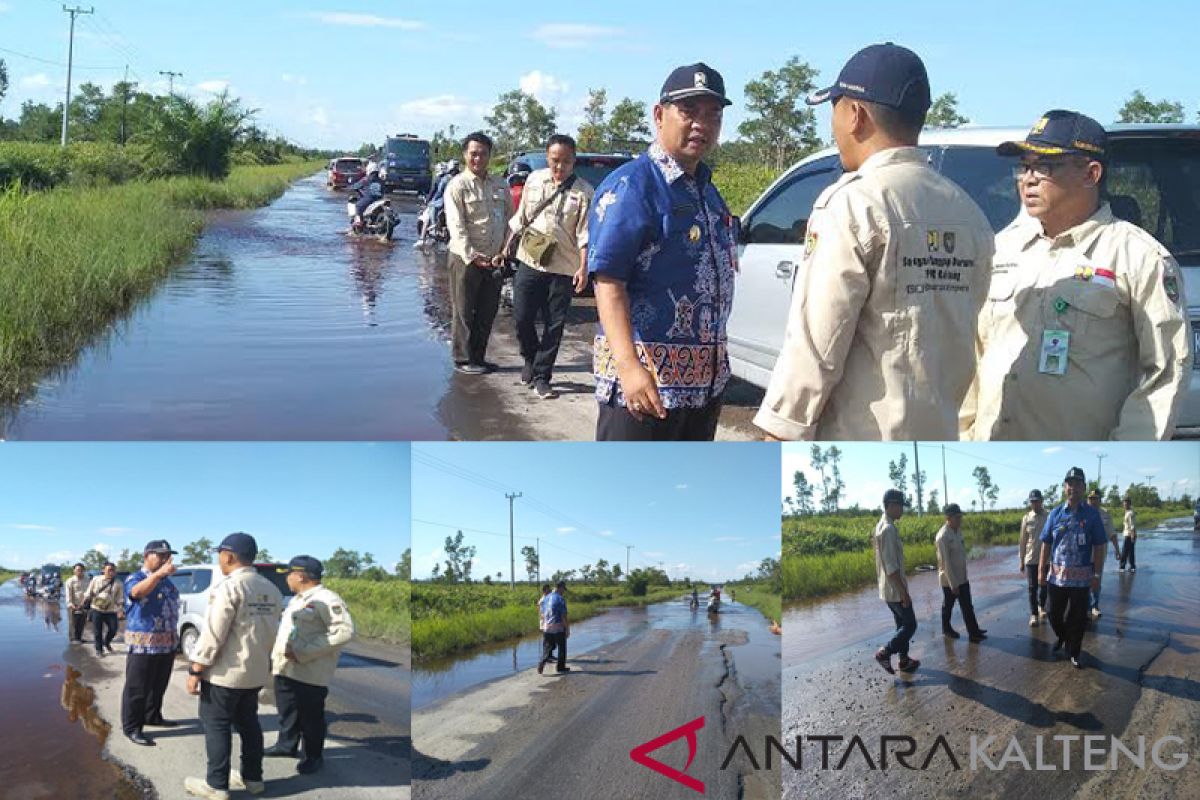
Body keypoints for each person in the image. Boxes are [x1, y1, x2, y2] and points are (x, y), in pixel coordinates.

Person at [754, 42, 993, 441]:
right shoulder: (969, 213)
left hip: (861, 434)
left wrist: (781, 429)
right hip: (939, 432)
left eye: (834, 108)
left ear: (855, 114)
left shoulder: (855, 203)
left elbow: (817, 344)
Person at [965, 109, 1192, 440]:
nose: (1028, 179)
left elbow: (1166, 371)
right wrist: (964, 432)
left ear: (1091, 174)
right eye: (1024, 166)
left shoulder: (1139, 257)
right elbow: (973, 353)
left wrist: (1126, 449)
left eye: (1045, 167)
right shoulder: (1000, 250)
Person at [587, 62, 738, 441]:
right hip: (645, 388)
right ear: (660, 114)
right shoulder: (633, 186)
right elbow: (608, 281)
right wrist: (628, 367)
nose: (701, 124)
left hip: (703, 389)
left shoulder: (706, 191)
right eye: (689, 111)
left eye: (713, 115)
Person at [184, 533, 283, 800]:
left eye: (220, 554)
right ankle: (253, 778)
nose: (219, 559)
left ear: (228, 556)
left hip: (225, 675)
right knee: (249, 724)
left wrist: (195, 669)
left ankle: (216, 785)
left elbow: (213, 634)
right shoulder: (270, 589)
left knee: (216, 725)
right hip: (254, 673)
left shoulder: (229, 587)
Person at [503, 134, 595, 399]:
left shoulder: (584, 192)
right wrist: (507, 245)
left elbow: (585, 233)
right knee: (522, 317)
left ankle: (543, 376)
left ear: (573, 161)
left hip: (563, 267)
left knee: (554, 325)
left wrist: (583, 267)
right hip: (530, 260)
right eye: (555, 161)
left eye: (566, 162)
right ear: (547, 157)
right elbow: (521, 218)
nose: (560, 167)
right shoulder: (534, 180)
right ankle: (530, 359)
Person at [267, 556, 355, 776]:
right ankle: (286, 746)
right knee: (287, 711)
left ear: (300, 575)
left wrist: (302, 652)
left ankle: (313, 756)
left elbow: (344, 632)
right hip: (287, 668)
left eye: (288, 574)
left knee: (311, 718)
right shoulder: (299, 599)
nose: (286, 578)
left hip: (309, 671)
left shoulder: (326, 599)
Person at [444, 132, 514, 374]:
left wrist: (504, 252)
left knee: (487, 311)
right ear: (465, 155)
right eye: (473, 153)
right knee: (464, 310)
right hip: (465, 259)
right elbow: (456, 226)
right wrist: (473, 256)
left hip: (494, 260)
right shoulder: (457, 186)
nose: (478, 158)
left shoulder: (500, 185)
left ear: (489, 156)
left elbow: (509, 221)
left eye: (483, 153)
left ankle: (479, 357)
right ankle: (463, 359)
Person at [1039, 467, 1108, 668]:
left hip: (1081, 578)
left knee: (1077, 618)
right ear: (1064, 487)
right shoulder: (1055, 514)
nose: (1074, 488)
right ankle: (1063, 637)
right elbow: (1046, 543)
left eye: (1078, 484)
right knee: (1052, 612)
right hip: (1057, 577)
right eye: (1070, 483)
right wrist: (1042, 571)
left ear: (1084, 488)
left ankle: (1074, 651)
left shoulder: (1092, 515)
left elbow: (1099, 545)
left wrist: (1096, 574)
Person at [121, 540, 180, 747]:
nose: (164, 559)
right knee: (137, 687)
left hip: (166, 642)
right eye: (160, 555)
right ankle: (132, 727)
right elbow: (136, 593)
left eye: (167, 556)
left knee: (158, 684)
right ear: (147, 555)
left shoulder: (167, 582)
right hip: (143, 644)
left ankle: (152, 715)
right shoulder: (136, 578)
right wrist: (157, 575)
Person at [873, 489, 919, 674]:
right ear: (891, 505)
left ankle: (904, 660)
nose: (903, 510)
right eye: (901, 506)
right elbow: (892, 566)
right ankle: (886, 652)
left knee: (901, 625)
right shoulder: (889, 529)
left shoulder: (881, 525)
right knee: (910, 625)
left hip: (887, 588)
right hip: (894, 589)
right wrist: (903, 592)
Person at [935, 504, 987, 642]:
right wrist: (953, 584)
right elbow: (945, 563)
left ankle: (974, 631)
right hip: (950, 580)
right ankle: (946, 629)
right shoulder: (943, 536)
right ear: (948, 518)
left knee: (967, 606)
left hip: (962, 577)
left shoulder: (957, 531)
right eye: (957, 517)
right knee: (948, 605)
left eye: (960, 517)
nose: (960, 520)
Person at [1087, 490, 1122, 619]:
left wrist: (1118, 551)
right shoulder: (1082, 512)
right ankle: (1085, 607)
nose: (1093, 501)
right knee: (1084, 581)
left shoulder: (1105, 514)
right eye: (1090, 498)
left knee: (1096, 580)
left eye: (1095, 498)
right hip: (1084, 555)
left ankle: (1095, 606)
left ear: (1100, 499)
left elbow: (1112, 534)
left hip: (1099, 555)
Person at [1019, 489, 1050, 626]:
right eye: (1032, 502)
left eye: (1037, 501)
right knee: (1032, 587)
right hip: (1031, 559)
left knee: (1044, 585)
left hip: (1047, 558)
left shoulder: (1049, 516)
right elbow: (1023, 541)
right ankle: (1034, 614)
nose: (1035, 504)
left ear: (1041, 501)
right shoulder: (1027, 518)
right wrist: (1021, 560)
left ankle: (1042, 606)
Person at [84, 562, 125, 656]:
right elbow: (88, 592)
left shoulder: (118, 583)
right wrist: (84, 603)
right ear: (103, 570)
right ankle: (99, 649)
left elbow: (120, 598)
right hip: (96, 609)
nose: (111, 572)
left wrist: (120, 610)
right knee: (97, 630)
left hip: (110, 610)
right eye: (109, 570)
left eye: (113, 570)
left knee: (113, 629)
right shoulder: (96, 580)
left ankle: (107, 642)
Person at [538, 581, 570, 675]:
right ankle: (560, 667)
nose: (563, 591)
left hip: (546, 627)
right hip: (558, 627)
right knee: (562, 647)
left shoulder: (546, 597)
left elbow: (542, 614)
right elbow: (563, 616)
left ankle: (542, 661)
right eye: (563, 589)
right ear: (560, 588)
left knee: (548, 646)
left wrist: (543, 625)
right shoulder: (560, 599)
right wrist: (567, 629)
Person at [65, 563, 88, 644]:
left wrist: (84, 603)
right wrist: (71, 604)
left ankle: (79, 638)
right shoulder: (70, 581)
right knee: (72, 622)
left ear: (84, 571)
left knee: (82, 622)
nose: (80, 572)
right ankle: (72, 639)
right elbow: (68, 594)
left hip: (83, 604)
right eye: (78, 570)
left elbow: (88, 592)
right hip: (73, 605)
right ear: (74, 571)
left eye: (81, 570)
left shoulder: (87, 580)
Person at [1119, 496, 1138, 571]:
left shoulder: (1130, 513)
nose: (1125, 505)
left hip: (1129, 535)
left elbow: (1132, 525)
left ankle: (1122, 567)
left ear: (1129, 504)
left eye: (1126, 503)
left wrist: (1133, 536)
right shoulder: (1127, 512)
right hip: (1129, 534)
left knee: (1125, 551)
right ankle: (1132, 567)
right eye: (1124, 503)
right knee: (1130, 552)